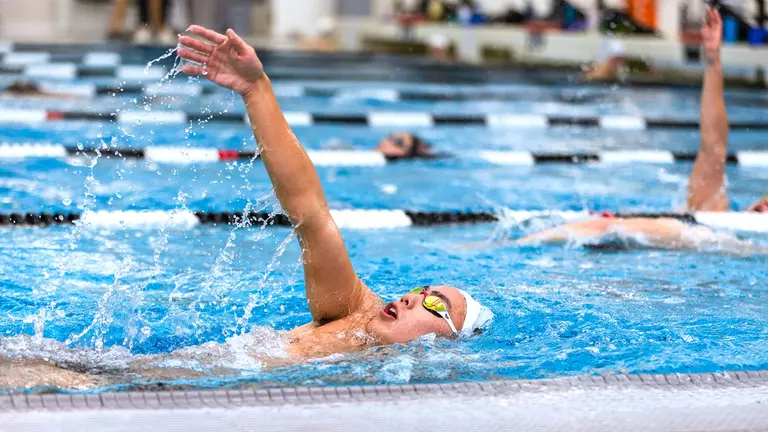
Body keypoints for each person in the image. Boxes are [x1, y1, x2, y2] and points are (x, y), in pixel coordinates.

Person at [176, 26, 494, 358]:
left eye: (433, 303)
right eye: (419, 291)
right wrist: (257, 90)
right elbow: (309, 212)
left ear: (448, 341)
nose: (409, 298)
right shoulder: (354, 310)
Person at [512, 7, 767, 252]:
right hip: (642, 243)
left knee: (604, 225)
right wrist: (713, 63)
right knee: (603, 225)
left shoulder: (739, 243)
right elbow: (714, 144)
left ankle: (501, 247)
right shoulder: (713, 210)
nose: (765, 204)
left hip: (647, 248)